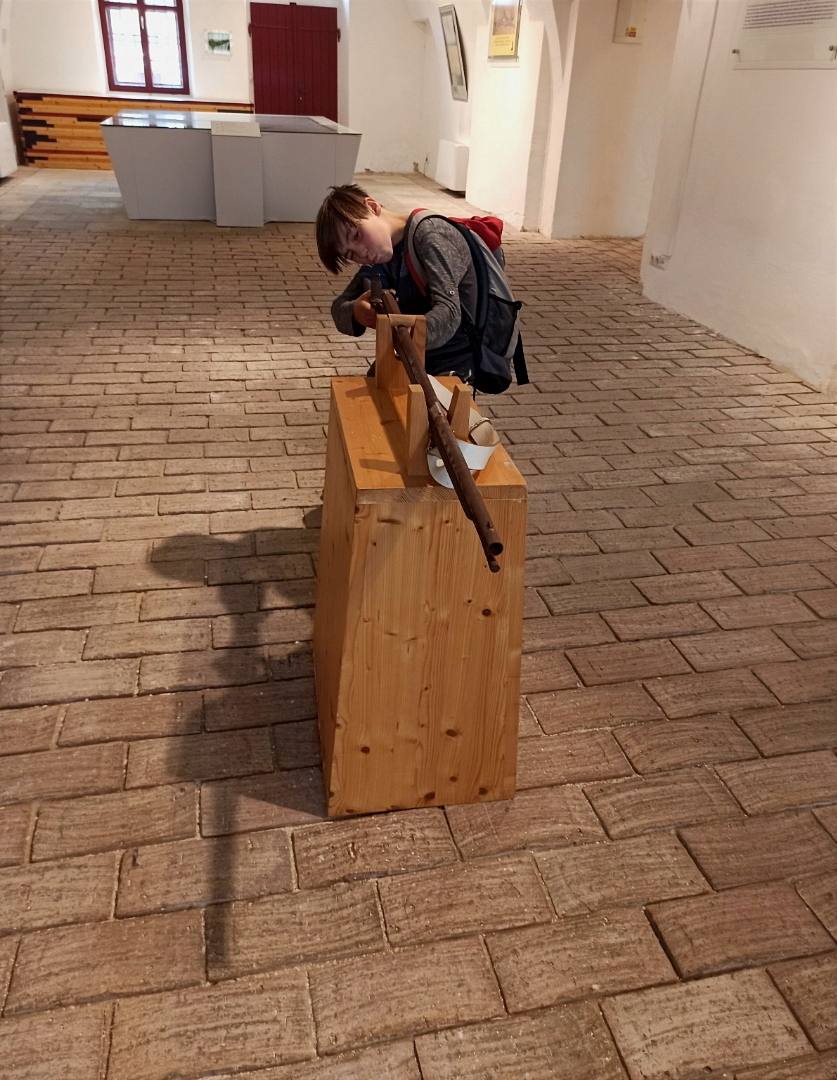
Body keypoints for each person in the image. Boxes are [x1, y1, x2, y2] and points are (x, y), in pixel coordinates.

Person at [316, 183, 488, 385]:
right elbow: (339, 306)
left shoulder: (431, 235)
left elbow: (449, 312)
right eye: (350, 254)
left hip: (453, 361)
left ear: (372, 207)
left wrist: (401, 333)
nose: (362, 252)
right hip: (409, 356)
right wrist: (355, 311)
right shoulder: (380, 258)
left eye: (357, 235)